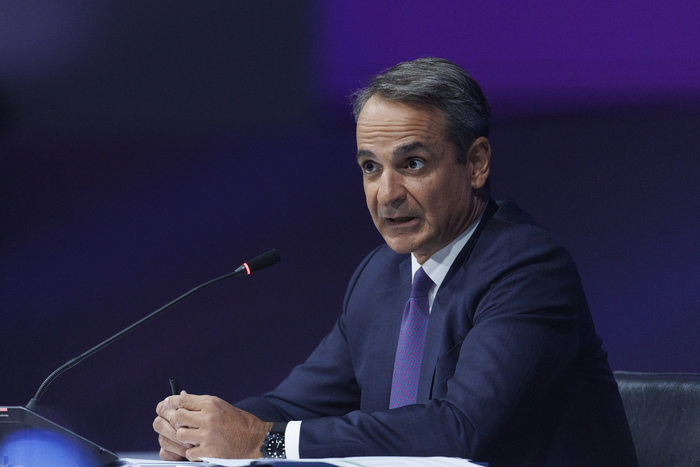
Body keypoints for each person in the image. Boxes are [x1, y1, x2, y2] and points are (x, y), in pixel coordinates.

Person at [153, 57, 638, 466]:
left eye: (412, 164)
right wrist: (203, 430)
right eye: (371, 167)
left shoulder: (527, 267)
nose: (387, 194)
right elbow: (294, 405)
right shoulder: (379, 276)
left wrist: (263, 441)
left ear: (476, 163)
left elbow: (460, 431)